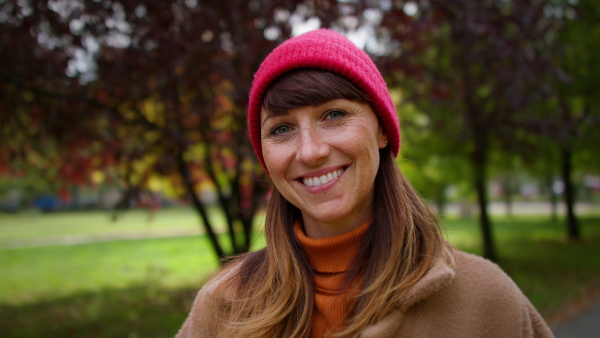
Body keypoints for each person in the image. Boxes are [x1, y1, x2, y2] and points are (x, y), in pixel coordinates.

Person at [176, 29, 553, 338]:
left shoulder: (484, 301)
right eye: (282, 128)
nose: (310, 151)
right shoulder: (222, 309)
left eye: (334, 115)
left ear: (382, 131)